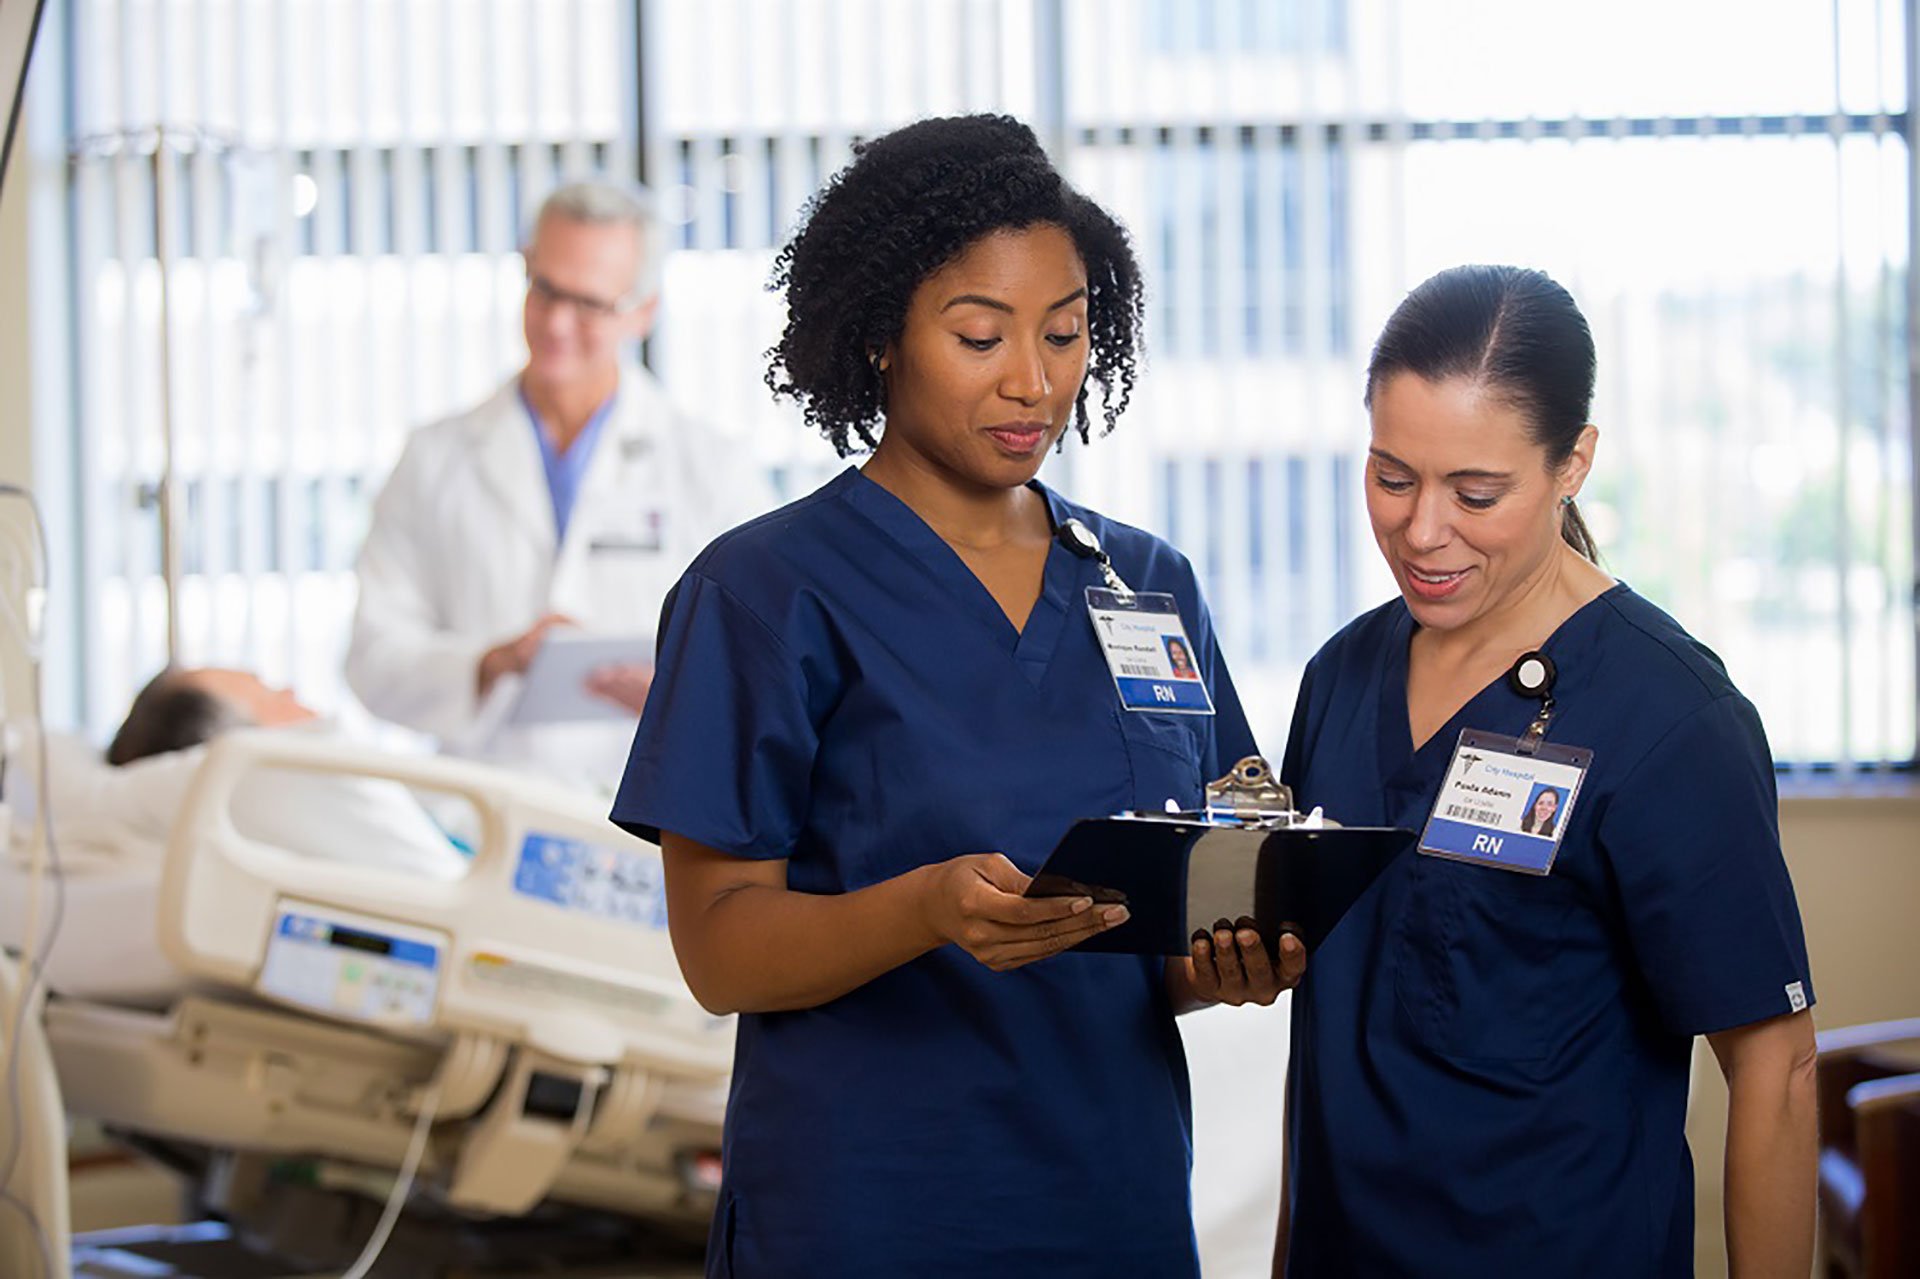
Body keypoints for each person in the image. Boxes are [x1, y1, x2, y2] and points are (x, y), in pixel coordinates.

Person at [609, 115, 1300, 1279]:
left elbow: (1189, 897)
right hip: (870, 1214)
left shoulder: (1147, 584)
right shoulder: (766, 592)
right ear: (881, 336)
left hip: (1111, 1203)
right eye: (980, 335)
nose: (1032, 381)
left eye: (1067, 333)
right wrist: (925, 908)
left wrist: (1231, 960)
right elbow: (720, 952)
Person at [1273, 265, 1817, 1276]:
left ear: (1574, 464)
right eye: (1392, 478)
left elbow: (1774, 1068)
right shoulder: (1341, 678)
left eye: (1476, 493)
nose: (1423, 530)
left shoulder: (1669, 717)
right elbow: (1326, 1055)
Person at [346, 179, 769, 795]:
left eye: (590, 303)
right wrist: (488, 664)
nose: (557, 322)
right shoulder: (435, 459)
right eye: (543, 289)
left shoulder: (711, 466)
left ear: (643, 310)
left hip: (648, 818)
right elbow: (371, 657)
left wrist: (684, 696)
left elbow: (763, 664)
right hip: (479, 821)